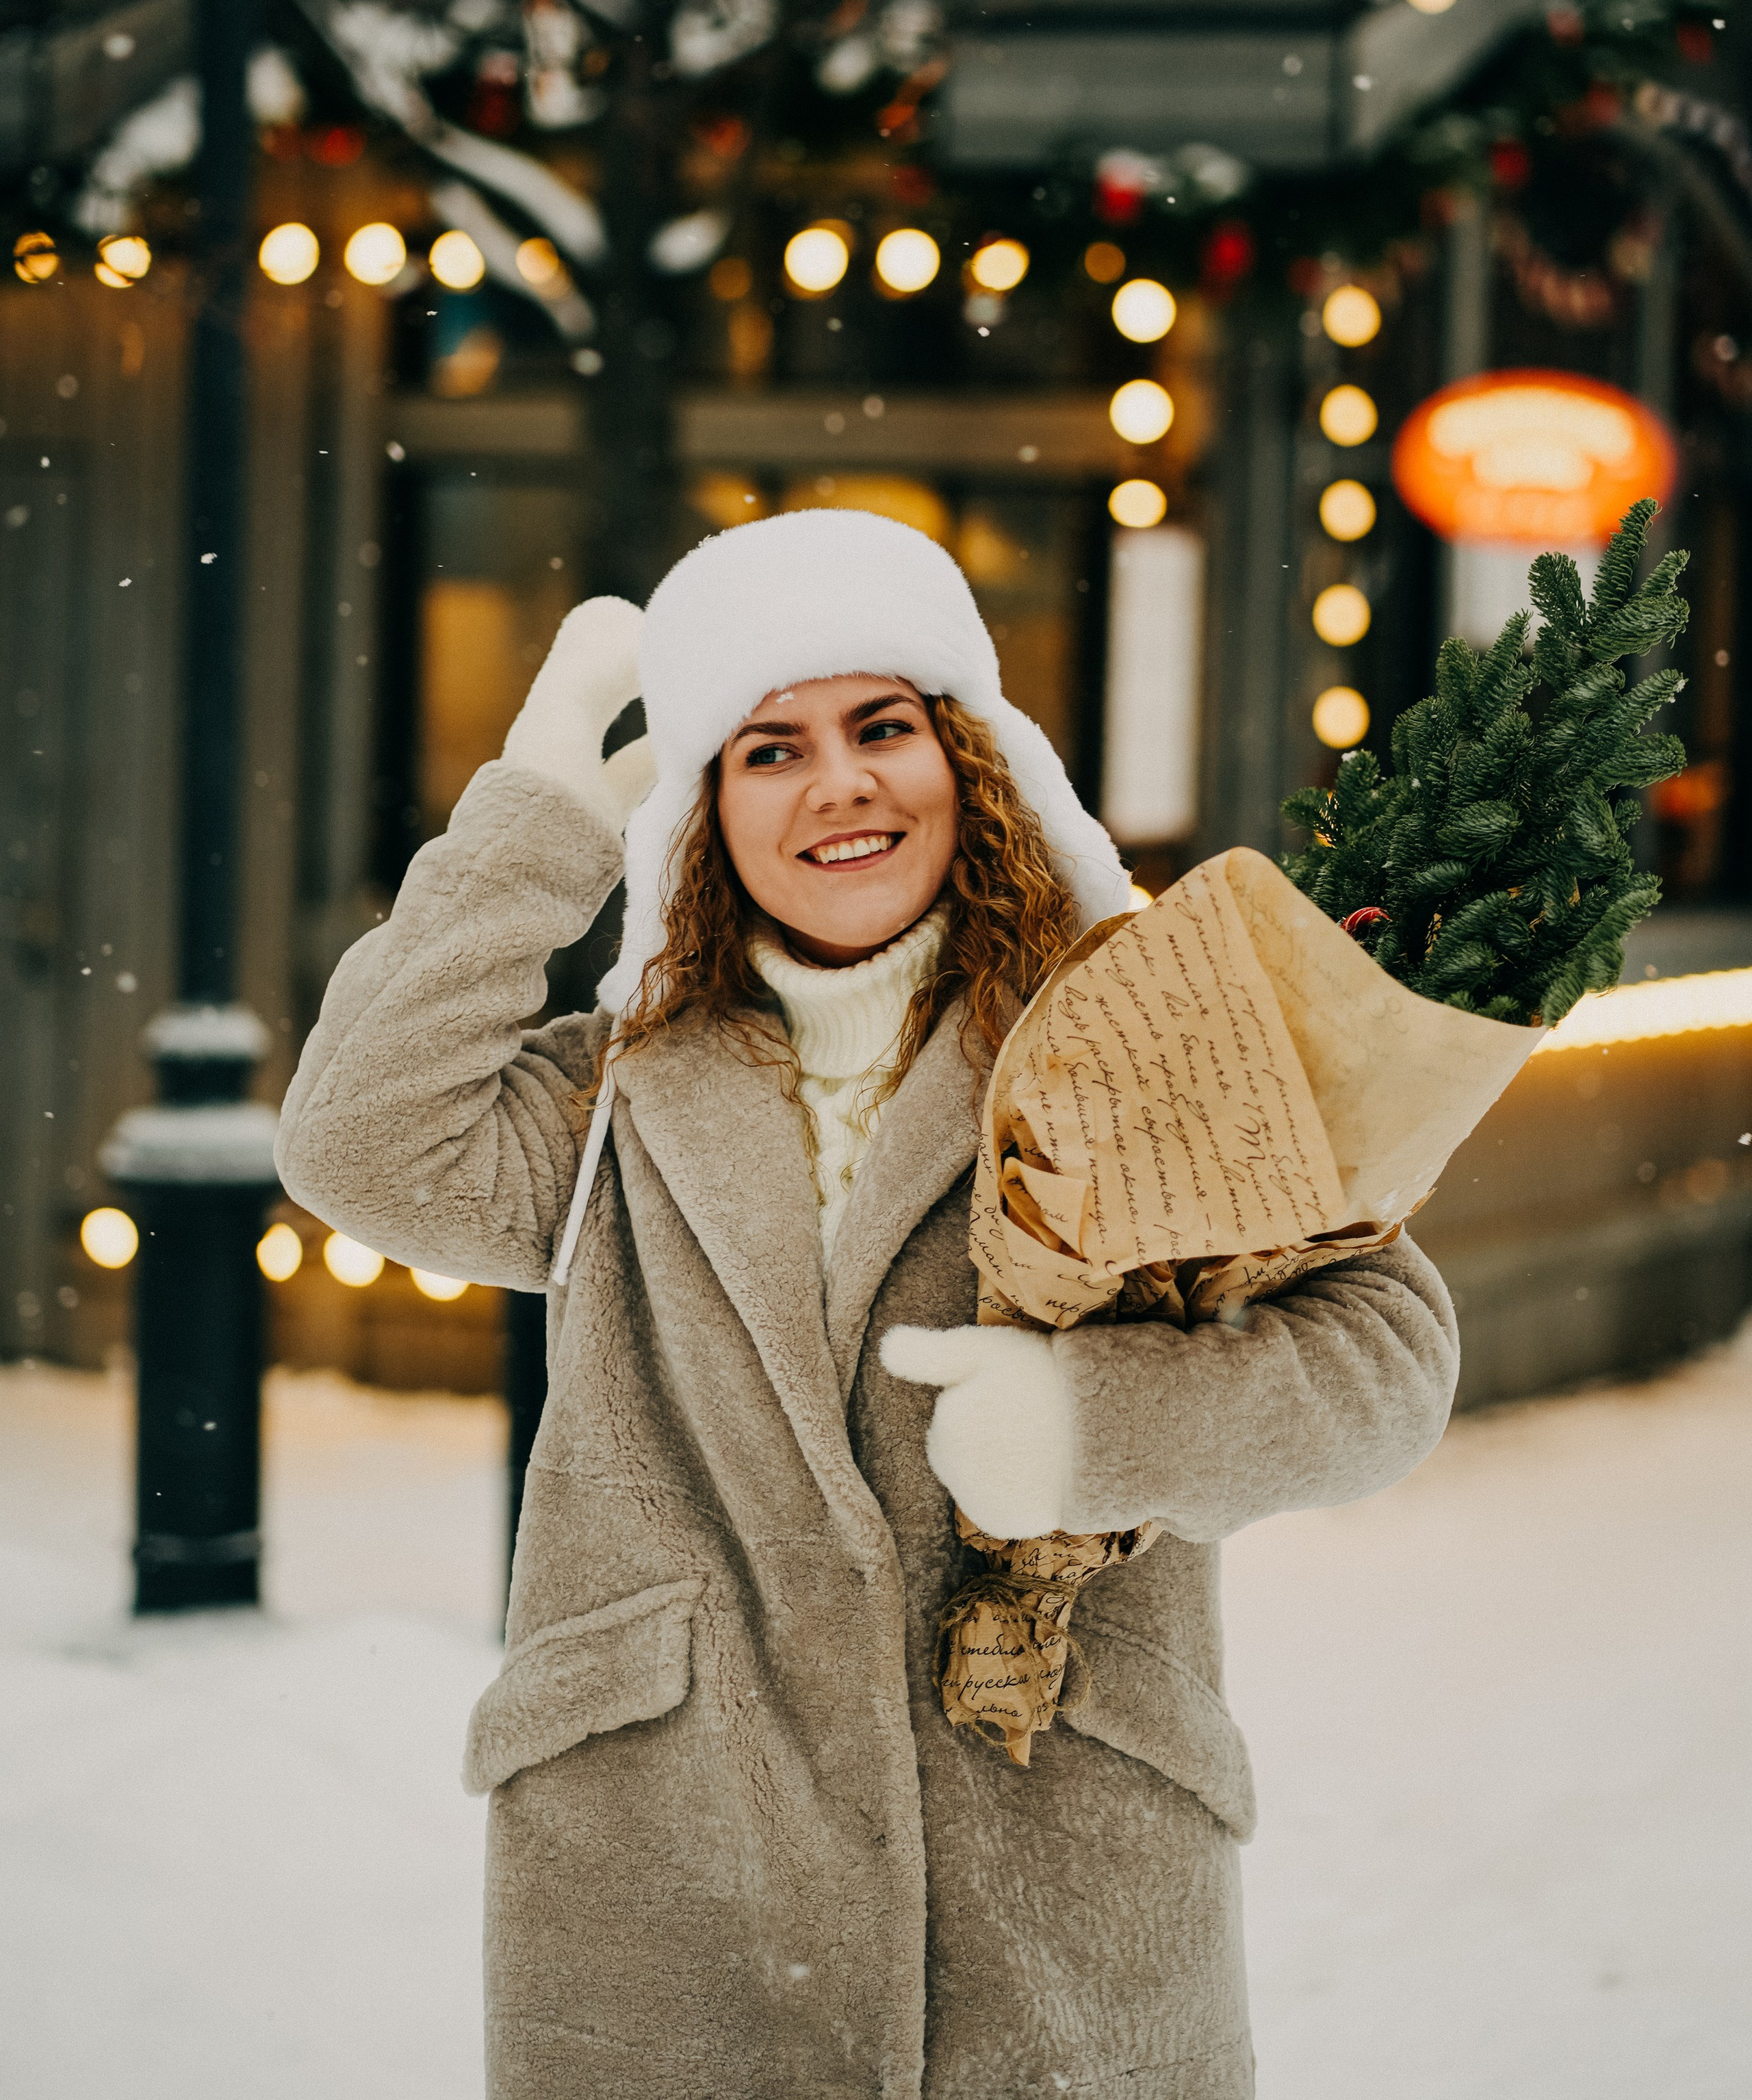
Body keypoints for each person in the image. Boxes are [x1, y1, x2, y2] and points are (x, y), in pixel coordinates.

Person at [276, 507, 1459, 2100]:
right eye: (768, 749)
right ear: (703, 805)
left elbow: (1386, 1356)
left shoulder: (1141, 1049)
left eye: (880, 728)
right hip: (667, 1899)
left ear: (966, 760)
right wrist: (541, 811)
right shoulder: (614, 1096)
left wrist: (1094, 1428)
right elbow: (357, 1139)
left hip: (1053, 1907)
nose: (836, 783)